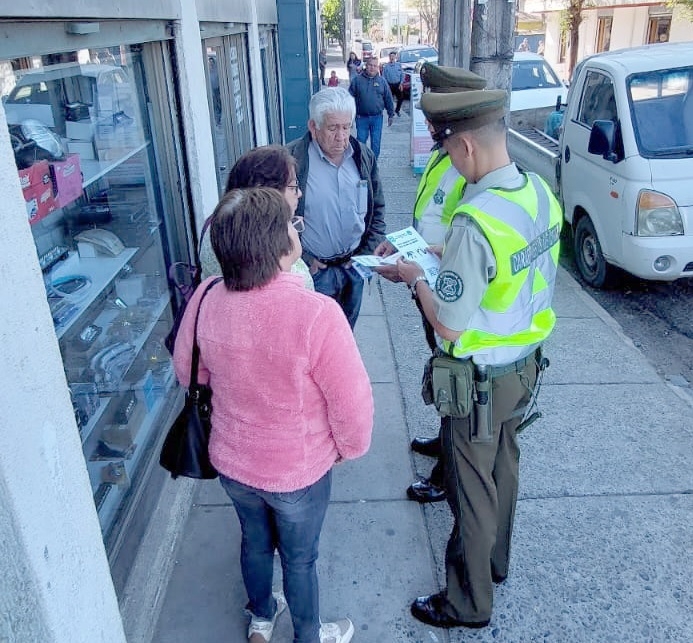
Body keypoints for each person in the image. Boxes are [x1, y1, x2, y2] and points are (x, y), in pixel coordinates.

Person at [173, 188, 373, 643]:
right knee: (300, 559)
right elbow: (352, 404)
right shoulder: (317, 314)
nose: (295, 227)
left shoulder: (206, 297)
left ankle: (261, 618)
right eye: (290, 223)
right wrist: (348, 449)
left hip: (232, 461)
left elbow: (188, 370)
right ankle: (308, 636)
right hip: (297, 470)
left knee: (254, 541)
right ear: (279, 245)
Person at [397, 89, 562, 629]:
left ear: (466, 145)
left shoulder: (474, 219)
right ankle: (496, 562)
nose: (448, 162)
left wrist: (415, 275)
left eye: (449, 152)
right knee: (504, 468)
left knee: (470, 488)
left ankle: (467, 602)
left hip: (480, 379)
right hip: (525, 366)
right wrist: (448, 257)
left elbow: (448, 320)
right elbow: (507, 269)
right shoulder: (535, 192)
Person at [374, 62, 488, 505]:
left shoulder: (468, 159)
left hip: (449, 291)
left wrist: (418, 265)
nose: (426, 116)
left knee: (452, 378)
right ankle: (443, 444)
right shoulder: (447, 152)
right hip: (428, 278)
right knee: (440, 372)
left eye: (435, 108)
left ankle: (446, 472)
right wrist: (403, 248)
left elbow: (463, 237)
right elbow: (434, 217)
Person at [286, 87, 386, 328]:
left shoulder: (363, 156)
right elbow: (276, 219)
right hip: (315, 272)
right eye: (333, 128)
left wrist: (367, 252)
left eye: (347, 127)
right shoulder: (291, 160)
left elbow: (378, 208)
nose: (341, 136)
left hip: (355, 269)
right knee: (314, 340)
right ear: (313, 126)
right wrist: (306, 260)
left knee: (345, 338)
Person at [199, 145, 314, 290]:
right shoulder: (243, 236)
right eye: (293, 187)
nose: (299, 194)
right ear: (267, 190)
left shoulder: (234, 222)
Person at [349, 58, 395, 158]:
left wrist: (391, 114)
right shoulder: (357, 80)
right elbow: (349, 98)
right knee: (361, 141)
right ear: (366, 65)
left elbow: (388, 98)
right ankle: (361, 162)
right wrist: (349, 116)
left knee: (376, 142)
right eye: (370, 65)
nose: (372, 68)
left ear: (377, 67)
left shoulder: (382, 81)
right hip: (361, 118)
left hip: (377, 118)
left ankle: (373, 163)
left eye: (374, 66)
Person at [381, 50, 405, 117]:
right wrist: (386, 86)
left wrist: (401, 83)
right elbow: (383, 77)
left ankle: (397, 110)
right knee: (389, 100)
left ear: (395, 57)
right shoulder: (386, 66)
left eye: (393, 56)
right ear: (389, 57)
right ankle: (391, 112)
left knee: (401, 98)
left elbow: (402, 75)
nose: (392, 58)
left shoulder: (399, 65)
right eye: (390, 56)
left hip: (398, 84)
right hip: (389, 85)